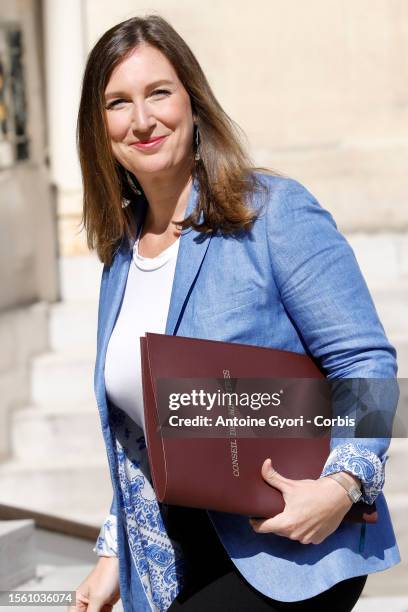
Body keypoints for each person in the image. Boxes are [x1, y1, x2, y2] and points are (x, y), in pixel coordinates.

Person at [70, 14, 400, 612]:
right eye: (118, 103)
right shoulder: (119, 259)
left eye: (158, 93)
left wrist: (342, 485)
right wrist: (113, 554)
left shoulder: (273, 212)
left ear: (193, 103)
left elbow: (367, 361)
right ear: (99, 129)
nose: (141, 120)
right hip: (175, 557)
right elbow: (145, 437)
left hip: (294, 547)